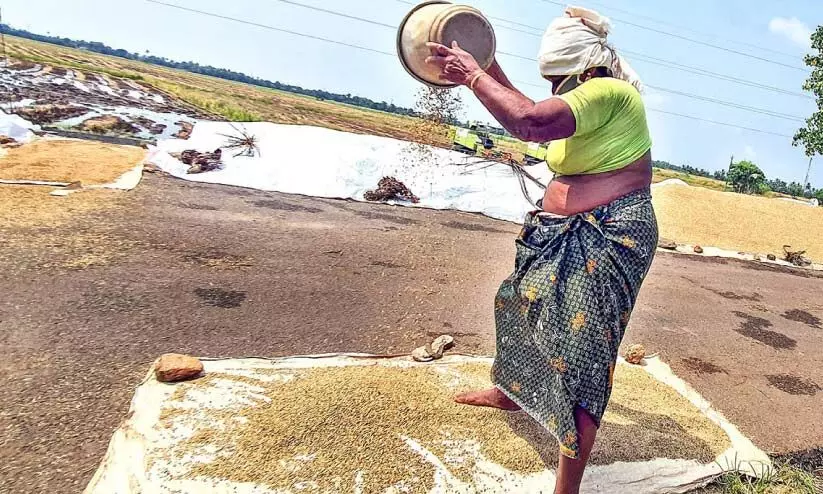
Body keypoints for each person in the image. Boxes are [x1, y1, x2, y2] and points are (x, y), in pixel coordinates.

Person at [425, 6, 658, 494]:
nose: (553, 90)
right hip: (559, 231)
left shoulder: (611, 93)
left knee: (584, 352)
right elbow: (528, 108)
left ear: (585, 72)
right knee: (515, 303)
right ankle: (512, 391)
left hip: (607, 235)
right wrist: (484, 64)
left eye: (558, 81)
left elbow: (530, 121)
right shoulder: (583, 102)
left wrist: (473, 76)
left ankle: (567, 485)